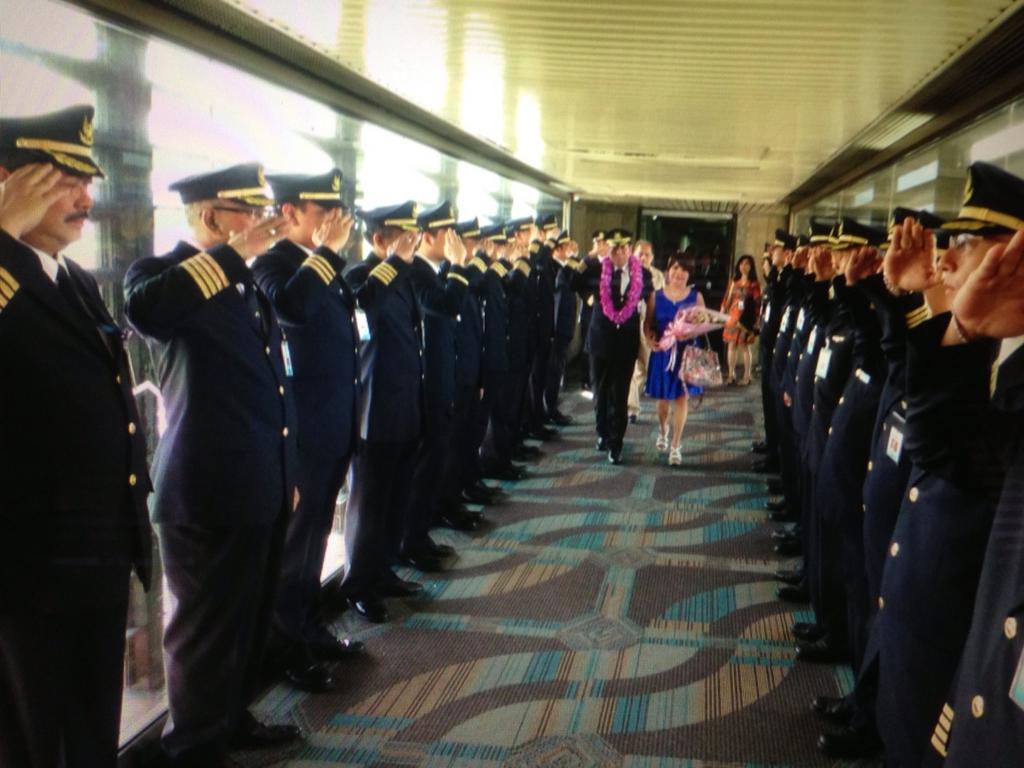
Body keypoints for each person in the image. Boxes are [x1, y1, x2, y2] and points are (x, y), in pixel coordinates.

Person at [123, 163, 300, 766]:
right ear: (208, 216)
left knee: (246, 618)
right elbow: (146, 310)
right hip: (203, 491)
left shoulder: (244, 285)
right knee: (202, 633)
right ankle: (195, 747)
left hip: (258, 483)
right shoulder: (162, 274)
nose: (260, 224)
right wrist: (233, 256)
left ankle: (232, 720)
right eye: (247, 211)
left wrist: (286, 470)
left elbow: (273, 388)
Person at [0, 106, 153, 768]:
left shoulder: (72, 281)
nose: (84, 199)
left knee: (90, 728)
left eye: (86, 182)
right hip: (29, 568)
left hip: (95, 554)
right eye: (60, 181)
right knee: (37, 742)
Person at [250, 169, 363, 695]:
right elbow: (291, 307)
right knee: (294, 551)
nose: (334, 225)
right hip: (303, 433)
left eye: (337, 215)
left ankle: (310, 629)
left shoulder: (322, 265)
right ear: (290, 212)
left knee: (316, 540)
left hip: (334, 424)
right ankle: (285, 650)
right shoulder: (271, 265)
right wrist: (327, 254)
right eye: (323, 213)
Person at [339, 201, 423, 624]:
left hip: (404, 400)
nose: (412, 245)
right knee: (369, 502)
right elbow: (363, 301)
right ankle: (359, 584)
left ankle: (383, 570)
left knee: (394, 499)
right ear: (379, 240)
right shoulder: (359, 275)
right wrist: (393, 263)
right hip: (374, 406)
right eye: (404, 239)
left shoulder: (403, 276)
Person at [568, 228, 654, 464]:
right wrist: (589, 257)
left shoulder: (642, 274)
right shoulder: (596, 268)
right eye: (615, 248)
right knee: (600, 391)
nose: (619, 252)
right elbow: (570, 282)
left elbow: (652, 300)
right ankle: (602, 433)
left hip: (625, 342)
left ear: (629, 250)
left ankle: (616, 443)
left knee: (620, 393)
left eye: (624, 248)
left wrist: (651, 330)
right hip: (599, 339)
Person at [643, 253, 706, 466]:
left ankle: (676, 445)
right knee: (662, 402)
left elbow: (702, 325)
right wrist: (650, 339)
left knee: (681, 399)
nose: (679, 273)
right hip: (663, 353)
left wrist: (690, 333)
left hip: (686, 354)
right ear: (668, 270)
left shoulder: (695, 297)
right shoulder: (656, 296)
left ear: (689, 273)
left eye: (684, 269)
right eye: (675, 268)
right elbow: (648, 324)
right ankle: (663, 429)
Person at [628, 239, 665, 421]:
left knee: (644, 366)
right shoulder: (626, 273)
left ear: (653, 257)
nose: (643, 257)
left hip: (649, 325)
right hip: (629, 324)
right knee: (630, 366)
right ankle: (632, 408)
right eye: (639, 254)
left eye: (647, 254)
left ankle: (634, 394)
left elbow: (662, 301)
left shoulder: (658, 276)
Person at [721, 254, 761, 385]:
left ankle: (746, 376)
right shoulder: (733, 282)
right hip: (732, 317)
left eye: (747, 264)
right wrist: (722, 311)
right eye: (742, 263)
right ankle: (731, 375)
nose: (744, 266)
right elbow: (726, 298)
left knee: (744, 346)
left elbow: (757, 302)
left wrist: (756, 321)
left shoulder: (754, 284)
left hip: (745, 319)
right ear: (738, 266)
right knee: (731, 345)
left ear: (751, 267)